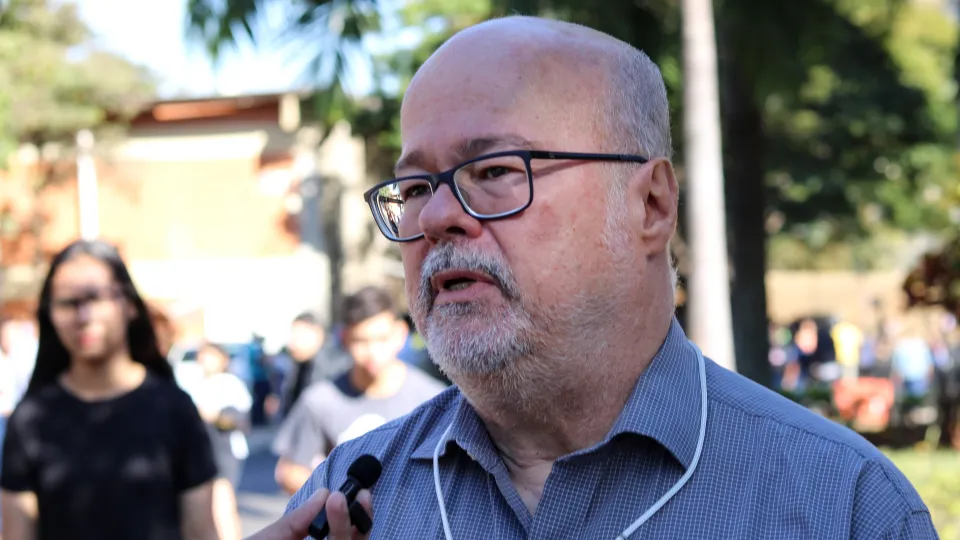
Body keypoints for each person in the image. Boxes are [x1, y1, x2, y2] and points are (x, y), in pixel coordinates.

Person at [250, 16, 935, 540]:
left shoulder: (843, 506)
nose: (435, 217)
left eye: (494, 171)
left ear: (651, 205)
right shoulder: (348, 501)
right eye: (415, 187)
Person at [0, 239, 219, 540]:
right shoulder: (31, 420)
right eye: (67, 303)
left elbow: (201, 530)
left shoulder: (174, 409)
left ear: (129, 304)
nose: (83, 316)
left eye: (95, 298)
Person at [271, 286, 446, 495]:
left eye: (382, 338)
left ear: (400, 333)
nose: (373, 352)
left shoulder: (434, 399)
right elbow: (289, 471)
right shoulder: (320, 400)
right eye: (361, 341)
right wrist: (342, 495)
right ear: (345, 338)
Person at [186, 342, 253, 540]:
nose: (205, 361)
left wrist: (214, 416)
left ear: (223, 360)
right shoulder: (198, 383)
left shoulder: (230, 384)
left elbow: (241, 420)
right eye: (203, 356)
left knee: (222, 505)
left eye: (211, 356)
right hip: (204, 451)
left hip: (224, 450)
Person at [270, 312, 353, 420]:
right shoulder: (301, 366)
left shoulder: (337, 365)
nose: (293, 343)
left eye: (299, 335)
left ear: (318, 333)